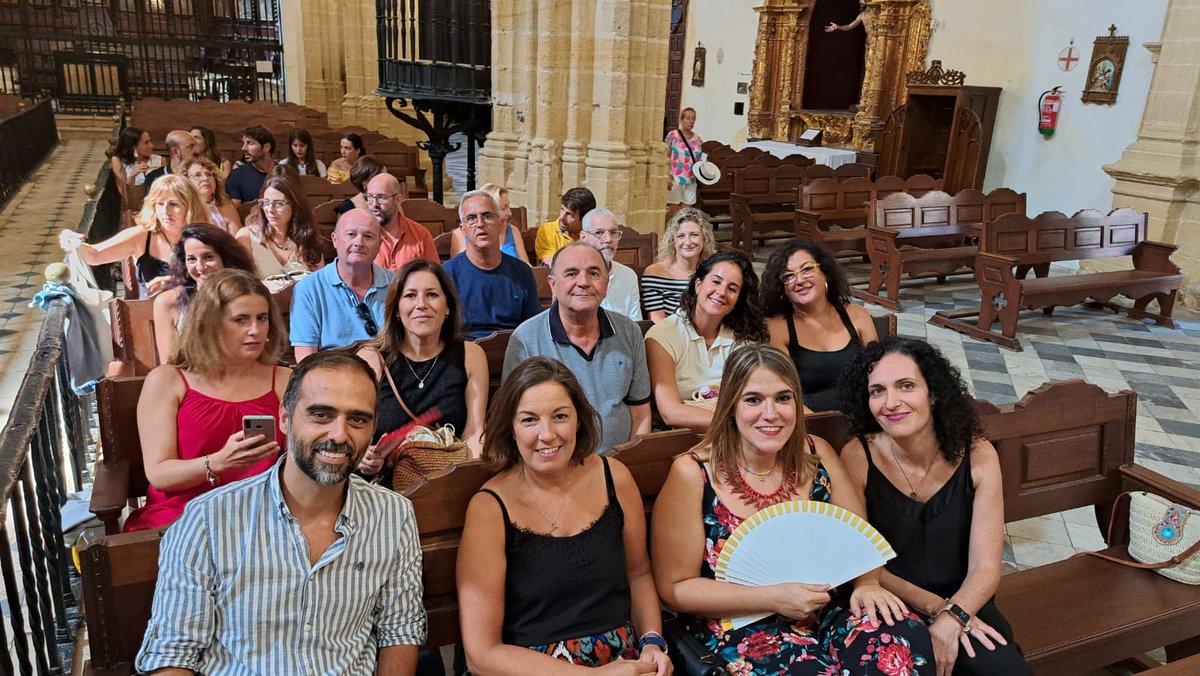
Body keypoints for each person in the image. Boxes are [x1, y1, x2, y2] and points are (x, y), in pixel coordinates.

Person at [135, 350, 426, 674]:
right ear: (285, 419)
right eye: (321, 415)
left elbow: (400, 630)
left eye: (357, 419)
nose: (339, 435)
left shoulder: (393, 516)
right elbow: (173, 653)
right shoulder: (208, 519)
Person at [651, 344, 934, 675]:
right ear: (730, 406)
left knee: (902, 635)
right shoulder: (693, 473)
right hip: (741, 623)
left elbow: (857, 538)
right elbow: (675, 590)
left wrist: (867, 583)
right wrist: (772, 598)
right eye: (753, 399)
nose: (771, 413)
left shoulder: (817, 454)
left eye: (783, 398)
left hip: (827, 608)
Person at [457, 356, 671, 675]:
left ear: (579, 420)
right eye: (529, 420)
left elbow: (638, 574)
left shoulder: (616, 477)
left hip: (623, 661)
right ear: (510, 428)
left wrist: (652, 643)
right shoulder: (489, 507)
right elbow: (482, 655)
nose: (548, 434)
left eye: (560, 416)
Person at [839, 338, 1031, 676]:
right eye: (877, 391)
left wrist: (956, 614)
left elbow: (985, 568)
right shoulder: (858, 455)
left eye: (906, 386)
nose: (890, 402)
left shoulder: (978, 454)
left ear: (934, 392)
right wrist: (941, 612)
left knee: (1001, 669)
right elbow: (865, 564)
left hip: (966, 599)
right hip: (891, 603)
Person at [124, 269, 288, 532]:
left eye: (262, 318)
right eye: (241, 320)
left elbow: (296, 460)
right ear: (210, 324)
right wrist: (218, 462)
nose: (255, 330)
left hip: (261, 514)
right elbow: (159, 474)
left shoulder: (284, 379)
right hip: (184, 514)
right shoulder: (168, 380)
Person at [504, 241, 651, 454]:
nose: (583, 282)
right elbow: (516, 420)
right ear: (553, 284)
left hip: (618, 464)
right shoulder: (526, 339)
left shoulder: (629, 332)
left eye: (593, 273)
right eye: (571, 274)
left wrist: (631, 463)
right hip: (553, 464)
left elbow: (641, 414)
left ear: (606, 283)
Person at [356, 259, 489, 474]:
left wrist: (467, 479)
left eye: (432, 295)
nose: (421, 304)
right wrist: (362, 456)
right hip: (384, 482)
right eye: (410, 295)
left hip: (446, 478)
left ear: (447, 307)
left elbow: (474, 432)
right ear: (397, 309)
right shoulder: (372, 359)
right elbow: (353, 433)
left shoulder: (471, 355)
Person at [645, 251, 765, 431]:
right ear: (698, 284)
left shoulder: (745, 337)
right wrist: (735, 422)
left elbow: (757, 395)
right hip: (687, 435)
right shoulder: (663, 335)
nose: (722, 292)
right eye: (716, 282)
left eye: (732, 289)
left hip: (741, 433)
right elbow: (671, 413)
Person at [762, 239, 878, 412]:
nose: (799, 280)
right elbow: (783, 395)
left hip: (866, 416)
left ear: (825, 272)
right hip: (811, 425)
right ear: (782, 288)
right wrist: (822, 427)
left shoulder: (857, 315)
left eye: (807, 269)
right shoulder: (775, 328)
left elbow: (879, 375)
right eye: (788, 276)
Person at [66, 174, 207, 297]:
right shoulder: (142, 235)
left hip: (196, 313)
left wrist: (174, 284)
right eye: (160, 204)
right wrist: (71, 240)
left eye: (174, 204)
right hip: (151, 314)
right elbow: (94, 256)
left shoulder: (205, 236)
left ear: (190, 207)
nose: (166, 211)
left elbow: (221, 279)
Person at [290, 208, 392, 361]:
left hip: (391, 376)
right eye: (351, 235)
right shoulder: (308, 289)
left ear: (379, 245)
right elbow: (305, 358)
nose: (359, 243)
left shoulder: (397, 284)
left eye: (368, 236)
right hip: (330, 377)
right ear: (335, 239)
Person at [152, 224, 259, 361]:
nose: (200, 267)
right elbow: (169, 366)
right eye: (191, 259)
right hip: (189, 379)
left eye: (208, 257)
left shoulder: (250, 295)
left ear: (226, 259)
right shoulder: (168, 302)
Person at [444, 190, 541, 339]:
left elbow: (532, 328)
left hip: (514, 351)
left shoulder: (522, 272)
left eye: (487, 216)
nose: (480, 224)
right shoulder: (447, 274)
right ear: (463, 229)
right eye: (471, 218)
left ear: (500, 224)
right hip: (465, 353)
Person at [235, 174, 325, 282]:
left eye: (278, 204)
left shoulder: (307, 237)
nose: (270, 209)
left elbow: (320, 283)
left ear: (295, 205)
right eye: (266, 202)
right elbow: (241, 284)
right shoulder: (246, 237)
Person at [641, 207, 715, 323]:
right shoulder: (655, 272)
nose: (688, 242)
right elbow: (657, 320)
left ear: (705, 239)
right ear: (672, 241)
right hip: (670, 334)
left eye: (694, 235)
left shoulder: (713, 270)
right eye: (681, 236)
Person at [366, 172, 438, 270]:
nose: (374, 204)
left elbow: (434, 276)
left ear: (398, 200)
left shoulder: (420, 235)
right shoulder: (361, 235)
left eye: (381, 198)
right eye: (370, 197)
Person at [579, 208, 641, 321]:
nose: (608, 239)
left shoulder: (628, 275)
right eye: (599, 233)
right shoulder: (574, 276)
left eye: (613, 233)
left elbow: (635, 324)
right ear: (583, 237)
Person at [450, 182, 529, 264]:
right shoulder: (459, 234)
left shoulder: (513, 230)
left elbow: (526, 265)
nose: (509, 213)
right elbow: (458, 267)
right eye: (504, 208)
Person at [534, 187, 596, 266]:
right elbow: (553, 265)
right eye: (562, 209)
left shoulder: (594, 233)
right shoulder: (547, 230)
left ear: (584, 218)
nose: (562, 217)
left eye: (569, 214)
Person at [183, 157, 241, 233]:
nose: (205, 178)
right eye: (197, 175)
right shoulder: (183, 210)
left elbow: (238, 241)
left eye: (209, 175)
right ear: (186, 181)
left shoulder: (227, 207)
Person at [226, 125, 276, 204]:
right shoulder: (237, 175)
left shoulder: (285, 173)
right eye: (244, 143)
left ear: (266, 147)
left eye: (250, 143)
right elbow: (234, 210)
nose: (244, 148)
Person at [110, 126, 162, 200]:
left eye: (150, 141)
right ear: (134, 147)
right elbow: (124, 194)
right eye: (146, 143)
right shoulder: (118, 161)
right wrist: (132, 176)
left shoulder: (159, 160)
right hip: (133, 204)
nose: (152, 145)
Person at [666, 107, 703, 207]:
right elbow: (666, 157)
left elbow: (700, 160)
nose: (690, 121)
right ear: (681, 120)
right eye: (688, 118)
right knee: (672, 210)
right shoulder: (673, 135)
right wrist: (666, 177)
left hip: (691, 179)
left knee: (686, 212)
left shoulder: (698, 139)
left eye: (693, 118)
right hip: (675, 178)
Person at [144, 129, 199, 194]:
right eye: (190, 147)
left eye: (196, 146)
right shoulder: (155, 178)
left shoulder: (202, 176)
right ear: (175, 152)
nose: (197, 151)